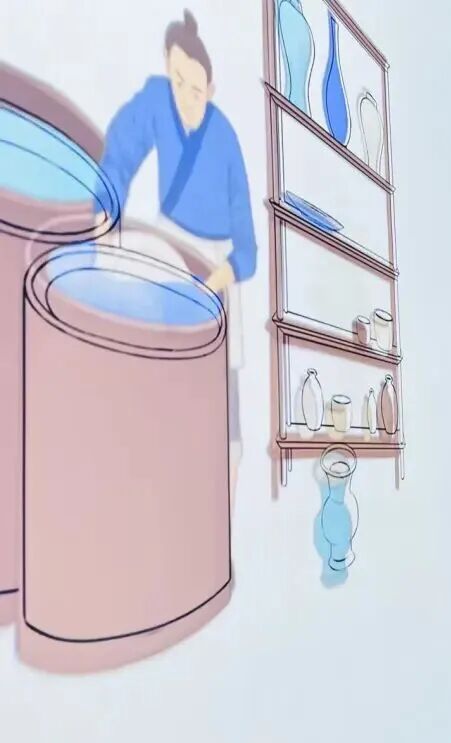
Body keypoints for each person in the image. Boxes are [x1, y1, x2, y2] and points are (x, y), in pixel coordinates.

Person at [95, 10, 256, 510]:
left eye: (196, 88)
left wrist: (218, 280)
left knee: (222, 411)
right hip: (167, 256)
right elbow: (120, 153)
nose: (185, 95)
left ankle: (220, 520)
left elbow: (247, 248)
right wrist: (106, 208)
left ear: (212, 88)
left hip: (214, 270)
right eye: (178, 81)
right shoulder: (156, 102)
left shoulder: (225, 139)